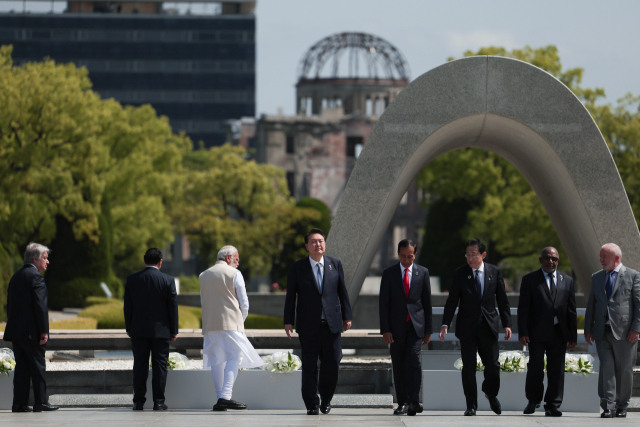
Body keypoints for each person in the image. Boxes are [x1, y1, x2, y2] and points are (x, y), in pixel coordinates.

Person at [284, 228, 353, 415]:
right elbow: (291, 296)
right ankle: (312, 403)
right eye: (313, 241)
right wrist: (288, 321)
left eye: (321, 241)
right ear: (307, 246)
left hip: (331, 325)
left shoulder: (335, 264)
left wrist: (347, 316)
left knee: (332, 364)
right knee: (309, 366)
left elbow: (342, 292)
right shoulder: (298, 268)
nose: (318, 244)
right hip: (308, 326)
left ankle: (326, 399)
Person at [439, 238, 512, 416]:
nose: (470, 258)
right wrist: (445, 323)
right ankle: (471, 405)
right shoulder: (460, 273)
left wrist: (507, 324)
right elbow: (452, 301)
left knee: (493, 366)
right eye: (467, 255)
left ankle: (490, 393)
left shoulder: (494, 272)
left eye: (473, 255)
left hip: (488, 326)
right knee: (469, 367)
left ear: (483, 255)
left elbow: (502, 301)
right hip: (467, 328)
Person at [199, 245, 263, 411]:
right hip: (231, 323)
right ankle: (226, 396)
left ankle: (220, 397)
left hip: (209, 324)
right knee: (236, 356)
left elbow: (203, 301)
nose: (238, 263)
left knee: (215, 360)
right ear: (228, 258)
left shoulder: (203, 275)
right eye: (236, 259)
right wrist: (240, 321)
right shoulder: (235, 273)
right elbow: (245, 303)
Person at [518, 247, 577, 417]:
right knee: (535, 368)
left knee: (556, 370)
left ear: (558, 261)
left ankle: (552, 405)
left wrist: (572, 336)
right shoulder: (530, 280)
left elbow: (571, 310)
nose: (550, 261)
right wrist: (523, 332)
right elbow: (523, 309)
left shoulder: (567, 280)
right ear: (540, 259)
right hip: (536, 333)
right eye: (546, 258)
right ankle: (533, 400)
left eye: (554, 259)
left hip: (559, 333)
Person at [584, 243, 640, 418]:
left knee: (624, 370)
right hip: (602, 332)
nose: (600, 260)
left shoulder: (633, 276)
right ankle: (608, 405)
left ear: (616, 258)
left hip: (625, 333)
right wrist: (588, 329)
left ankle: (622, 405)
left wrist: (636, 329)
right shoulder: (597, 277)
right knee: (606, 369)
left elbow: (639, 305)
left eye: (604, 257)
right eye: (600, 256)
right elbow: (591, 304)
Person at [379, 239, 432, 416]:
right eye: (402, 256)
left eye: (410, 256)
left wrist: (428, 330)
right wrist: (385, 329)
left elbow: (427, 303)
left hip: (416, 326)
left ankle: (414, 401)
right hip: (395, 328)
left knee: (414, 361)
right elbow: (383, 303)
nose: (406, 260)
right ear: (398, 254)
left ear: (415, 255)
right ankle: (401, 402)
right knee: (399, 365)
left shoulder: (423, 272)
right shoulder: (389, 273)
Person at [4, 243, 58, 412]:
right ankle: (40, 401)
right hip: (32, 333)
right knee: (38, 367)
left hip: (16, 333)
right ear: (35, 259)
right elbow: (40, 306)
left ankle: (19, 403)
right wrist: (44, 331)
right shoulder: (36, 277)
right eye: (45, 258)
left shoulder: (16, 276)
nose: (47, 261)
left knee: (21, 368)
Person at [124, 248, 179, 411]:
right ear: (160, 262)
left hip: (138, 330)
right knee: (160, 366)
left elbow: (128, 306)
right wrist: (174, 330)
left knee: (139, 365)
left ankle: (138, 401)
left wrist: (129, 327)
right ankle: (159, 402)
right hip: (161, 331)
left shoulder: (132, 279)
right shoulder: (168, 280)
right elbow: (173, 307)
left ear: (144, 261)